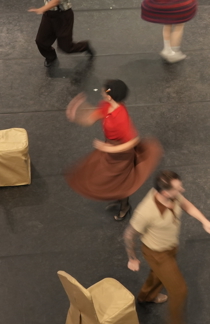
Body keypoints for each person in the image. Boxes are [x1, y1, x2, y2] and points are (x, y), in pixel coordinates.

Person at [123, 170, 210, 324]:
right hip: (157, 253)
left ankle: (146, 296)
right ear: (165, 192)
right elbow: (129, 234)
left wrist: (205, 222)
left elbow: (187, 205)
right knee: (179, 290)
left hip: (170, 247)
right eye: (178, 188)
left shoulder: (172, 197)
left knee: (158, 276)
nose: (181, 189)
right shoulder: (146, 211)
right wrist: (132, 258)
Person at [65, 80, 163, 220]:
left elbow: (133, 141)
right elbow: (91, 118)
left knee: (120, 181)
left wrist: (109, 149)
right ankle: (119, 199)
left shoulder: (121, 118)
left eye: (103, 90)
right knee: (112, 179)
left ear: (109, 96)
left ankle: (125, 206)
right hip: (110, 147)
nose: (101, 92)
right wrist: (77, 114)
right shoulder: (106, 105)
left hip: (120, 153)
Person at [28, 0, 94, 67]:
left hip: (63, 16)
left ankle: (85, 46)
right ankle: (50, 57)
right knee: (40, 41)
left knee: (66, 47)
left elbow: (56, 1)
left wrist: (41, 9)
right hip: (49, 14)